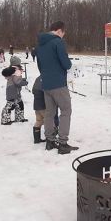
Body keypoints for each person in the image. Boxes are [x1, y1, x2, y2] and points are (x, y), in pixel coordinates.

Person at [36, 20, 78, 154]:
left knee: (50, 112)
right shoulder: (57, 42)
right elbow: (66, 64)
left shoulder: (40, 44)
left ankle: (49, 141)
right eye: (63, 34)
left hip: (46, 84)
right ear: (60, 31)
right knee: (66, 111)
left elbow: (40, 66)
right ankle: (63, 143)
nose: (63, 36)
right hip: (59, 84)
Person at [32, 75, 60, 143]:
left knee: (39, 121)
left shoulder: (38, 78)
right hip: (45, 106)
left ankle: (37, 139)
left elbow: (33, 91)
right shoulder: (48, 79)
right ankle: (51, 140)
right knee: (50, 122)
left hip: (37, 106)